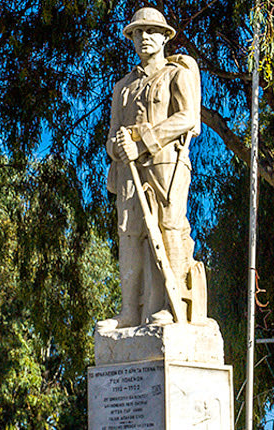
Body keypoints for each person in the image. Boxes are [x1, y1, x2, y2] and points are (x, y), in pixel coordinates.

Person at [101, 7, 201, 329]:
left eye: (150, 31)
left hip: (166, 164)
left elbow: (188, 118)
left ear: (164, 36)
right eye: (137, 32)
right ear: (131, 38)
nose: (144, 37)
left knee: (166, 229)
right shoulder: (123, 87)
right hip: (128, 170)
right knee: (130, 234)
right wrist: (118, 147)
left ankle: (168, 308)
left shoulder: (177, 74)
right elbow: (111, 138)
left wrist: (142, 142)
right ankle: (129, 311)